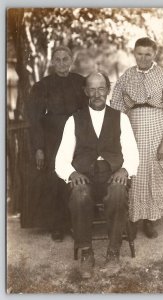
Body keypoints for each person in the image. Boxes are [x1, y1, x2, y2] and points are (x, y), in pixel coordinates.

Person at [55, 72, 139, 279]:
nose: (97, 93)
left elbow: (132, 153)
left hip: (112, 175)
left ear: (108, 90)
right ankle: (87, 254)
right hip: (85, 176)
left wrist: (125, 170)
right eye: (91, 89)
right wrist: (72, 173)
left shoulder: (121, 118)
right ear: (85, 92)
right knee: (79, 194)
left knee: (119, 192)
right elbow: (61, 159)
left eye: (101, 88)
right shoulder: (74, 120)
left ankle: (113, 254)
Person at [111, 37, 163, 239]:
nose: (143, 58)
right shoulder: (126, 77)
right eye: (139, 54)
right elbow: (116, 106)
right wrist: (116, 135)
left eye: (148, 54)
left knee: (156, 173)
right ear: (134, 53)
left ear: (155, 54)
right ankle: (133, 219)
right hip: (132, 130)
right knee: (134, 172)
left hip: (158, 131)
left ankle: (151, 220)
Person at [27, 46, 88, 241]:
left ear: (71, 60)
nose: (62, 63)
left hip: (77, 138)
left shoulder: (81, 82)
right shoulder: (42, 86)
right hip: (51, 141)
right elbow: (35, 120)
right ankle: (57, 226)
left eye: (65, 59)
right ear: (53, 62)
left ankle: (74, 222)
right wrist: (39, 148)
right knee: (54, 180)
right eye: (58, 59)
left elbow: (89, 114)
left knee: (75, 177)